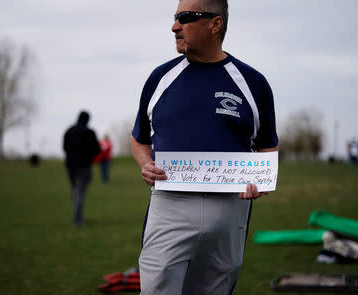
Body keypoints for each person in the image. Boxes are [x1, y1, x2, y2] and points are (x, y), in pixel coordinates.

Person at [130, 0, 278, 294]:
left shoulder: (252, 82)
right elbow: (139, 138)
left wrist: (258, 180)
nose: (174, 26)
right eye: (175, 18)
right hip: (169, 203)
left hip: (230, 209)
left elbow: (267, 146)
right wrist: (145, 163)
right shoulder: (160, 78)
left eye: (185, 18)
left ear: (215, 24)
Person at [63, 111, 100, 227]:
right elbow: (97, 149)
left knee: (75, 191)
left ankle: (78, 216)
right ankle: (77, 219)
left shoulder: (69, 131)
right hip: (84, 166)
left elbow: (64, 147)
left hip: (70, 166)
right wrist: (89, 157)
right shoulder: (89, 133)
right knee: (80, 192)